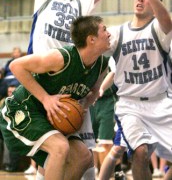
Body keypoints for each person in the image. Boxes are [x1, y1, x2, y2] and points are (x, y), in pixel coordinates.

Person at [27, 0, 116, 180]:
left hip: (72, 84)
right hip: (45, 79)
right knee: (54, 153)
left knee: (85, 159)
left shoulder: (80, 4)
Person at [0, 15, 111, 180]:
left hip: (50, 117)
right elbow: (16, 66)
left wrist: (84, 105)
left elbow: (94, 91)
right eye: (104, 30)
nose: (109, 34)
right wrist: (46, 98)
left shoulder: (102, 64)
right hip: (23, 109)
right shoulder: (61, 58)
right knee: (60, 147)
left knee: (83, 156)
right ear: (91, 39)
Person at [99, 0, 172, 180]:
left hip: (161, 103)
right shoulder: (116, 33)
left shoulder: (159, 30)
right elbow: (96, 58)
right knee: (140, 152)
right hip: (130, 105)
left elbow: (167, 21)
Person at [90, 57, 117, 178]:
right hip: (90, 101)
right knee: (91, 141)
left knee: (105, 142)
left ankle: (105, 175)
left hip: (107, 101)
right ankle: (94, 170)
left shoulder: (110, 55)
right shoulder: (87, 56)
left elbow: (112, 74)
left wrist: (101, 89)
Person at [0, 85, 22, 172]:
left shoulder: (19, 101)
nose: (10, 93)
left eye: (12, 92)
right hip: (2, 127)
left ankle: (10, 165)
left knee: (9, 141)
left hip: (14, 128)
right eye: (9, 92)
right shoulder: (2, 101)